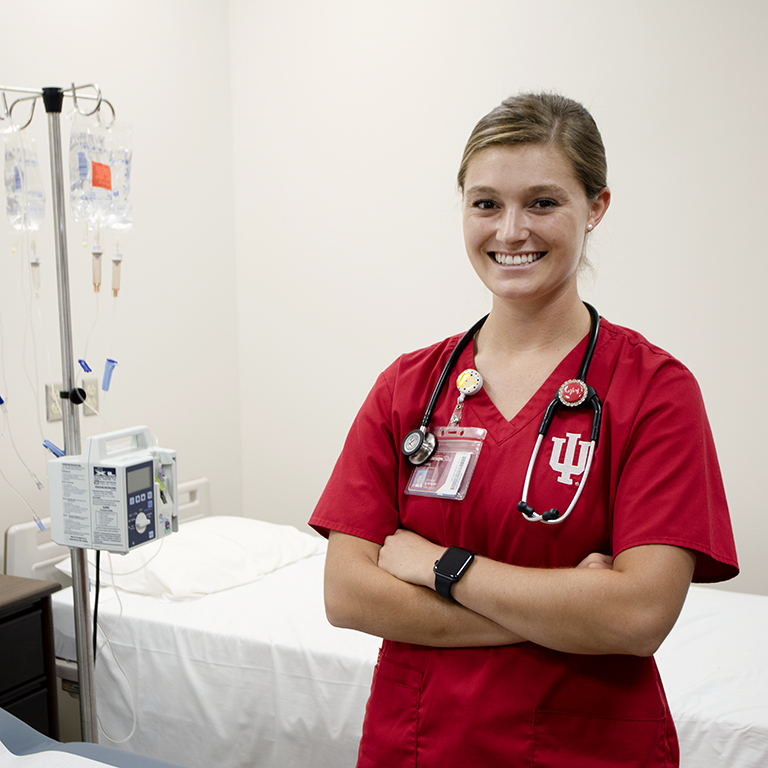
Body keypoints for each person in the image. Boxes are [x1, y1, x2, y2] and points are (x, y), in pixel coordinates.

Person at [309, 92, 738, 767]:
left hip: (588, 746)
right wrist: (566, 609)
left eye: (542, 202)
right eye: (486, 204)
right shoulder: (408, 387)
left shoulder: (655, 389)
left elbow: (636, 617)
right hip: (420, 743)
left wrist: (440, 566)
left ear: (595, 207)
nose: (510, 232)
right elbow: (347, 593)